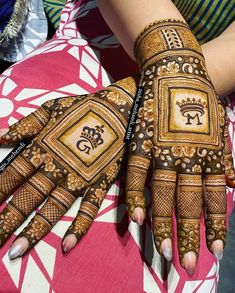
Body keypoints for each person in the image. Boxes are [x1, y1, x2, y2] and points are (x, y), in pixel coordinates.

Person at [0, 0, 234, 286]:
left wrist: (170, 85)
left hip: (218, 90)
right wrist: (169, 64)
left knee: (174, 260)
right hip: (108, 26)